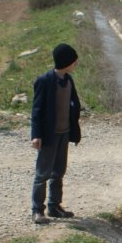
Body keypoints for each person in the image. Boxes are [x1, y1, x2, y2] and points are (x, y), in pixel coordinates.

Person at [30, 43, 82, 224]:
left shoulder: (68, 80)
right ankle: (37, 211)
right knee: (42, 173)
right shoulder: (44, 81)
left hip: (64, 134)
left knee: (59, 171)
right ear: (66, 61)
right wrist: (36, 135)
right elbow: (36, 111)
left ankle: (54, 206)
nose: (77, 63)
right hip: (49, 135)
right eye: (74, 60)